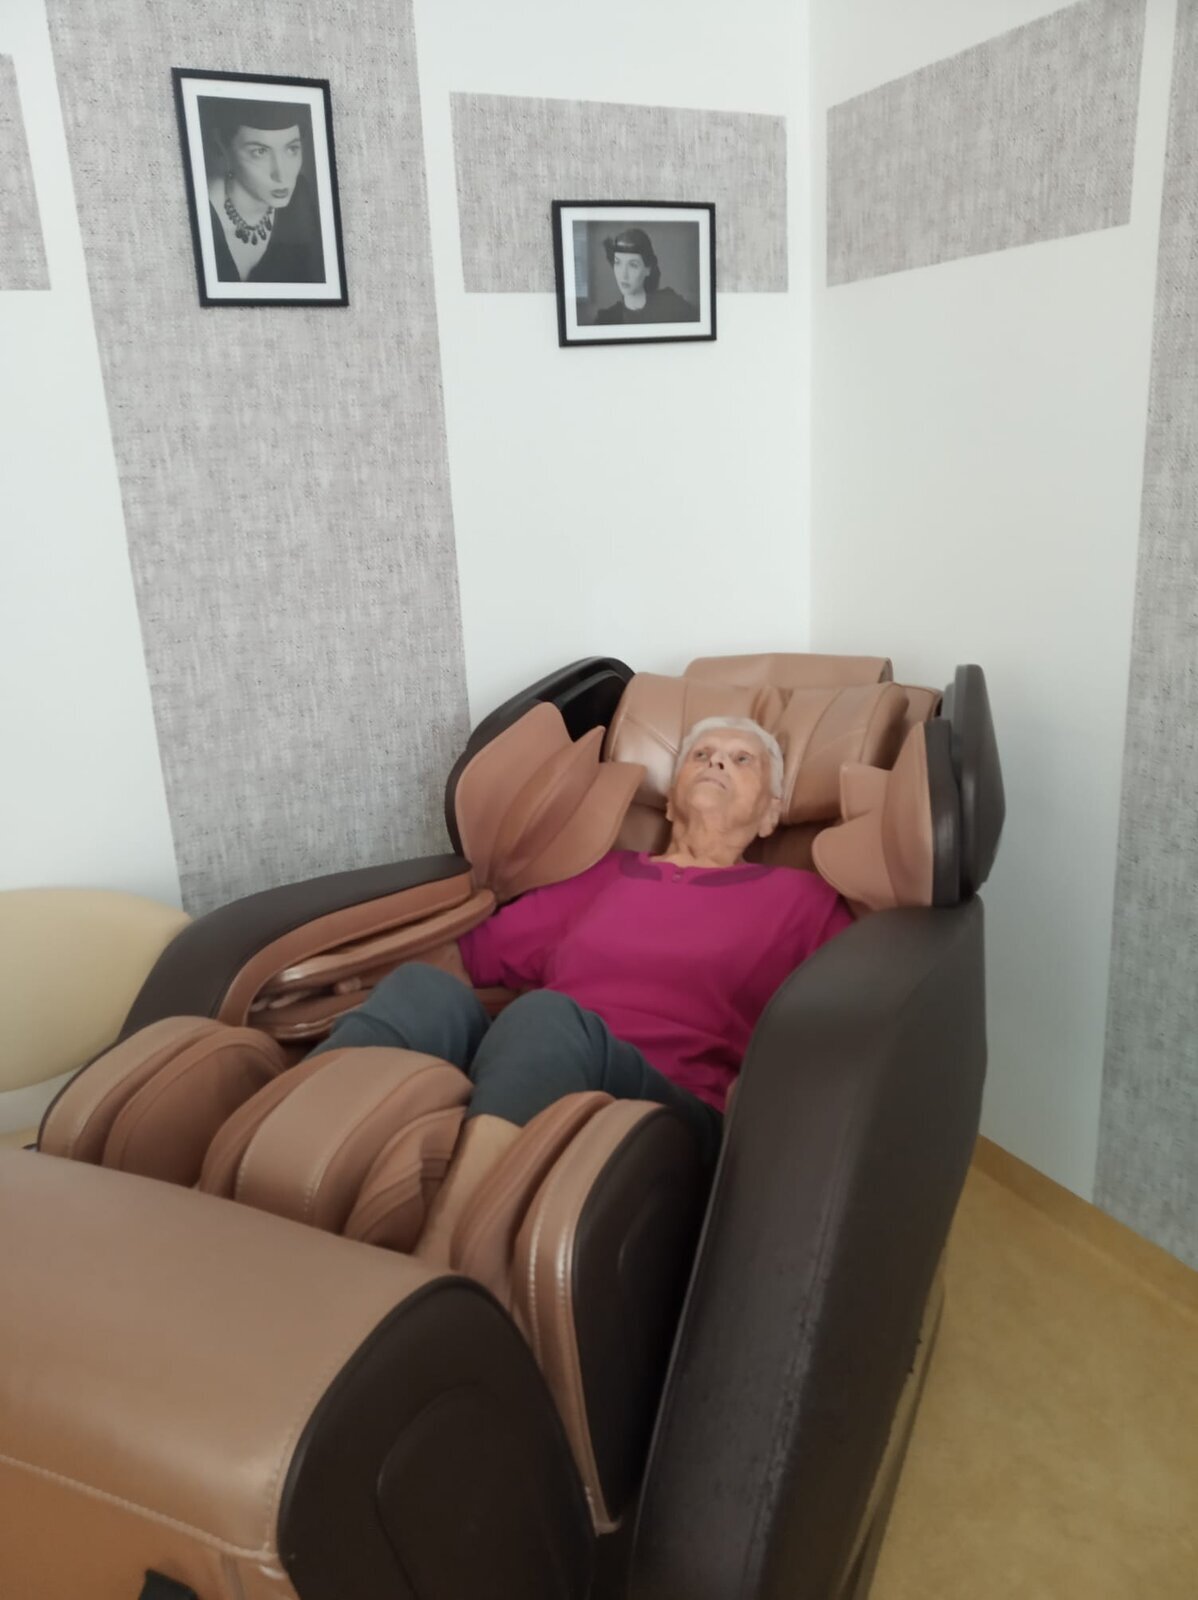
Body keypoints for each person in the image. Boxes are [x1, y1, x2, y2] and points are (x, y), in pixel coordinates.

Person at [309, 717, 853, 1262]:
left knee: (544, 1016)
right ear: (668, 804)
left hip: (669, 1110)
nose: (717, 761)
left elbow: (850, 1026)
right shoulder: (600, 874)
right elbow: (468, 954)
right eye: (701, 753)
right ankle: (287, 1166)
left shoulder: (803, 901)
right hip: (535, 1062)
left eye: (742, 759)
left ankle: (445, 1258)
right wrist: (352, 973)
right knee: (423, 988)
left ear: (771, 814)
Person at [199, 97, 324, 284]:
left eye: (292, 149)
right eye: (260, 152)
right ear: (223, 147)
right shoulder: (199, 213)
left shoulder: (302, 200)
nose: (281, 175)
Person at [594, 227, 699, 325]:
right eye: (618, 263)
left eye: (633, 265)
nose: (623, 275)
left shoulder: (672, 305)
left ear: (648, 269)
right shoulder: (606, 319)